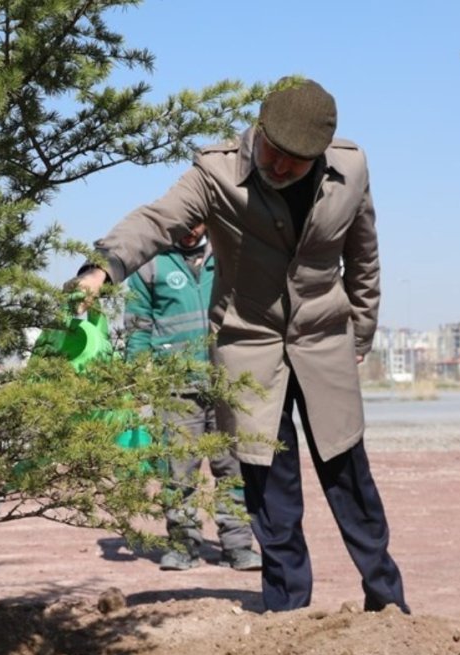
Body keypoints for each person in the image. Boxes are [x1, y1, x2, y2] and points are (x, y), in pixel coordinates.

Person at [74, 78, 408, 614]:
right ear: (259, 130)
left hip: (325, 343)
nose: (279, 168)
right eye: (273, 154)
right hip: (248, 346)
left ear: (320, 154)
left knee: (350, 480)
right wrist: (101, 269)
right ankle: (287, 609)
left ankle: (387, 602)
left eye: (296, 163)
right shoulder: (216, 173)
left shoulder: (352, 170)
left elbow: (363, 258)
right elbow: (156, 220)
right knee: (271, 490)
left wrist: (360, 334)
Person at [125, 223, 262, 571]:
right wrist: (135, 375)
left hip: (226, 382)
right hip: (176, 387)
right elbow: (138, 327)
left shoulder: (230, 255)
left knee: (232, 469)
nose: (189, 232)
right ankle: (183, 546)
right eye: (182, 226)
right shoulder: (151, 264)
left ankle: (238, 545)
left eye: (196, 224)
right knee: (178, 471)